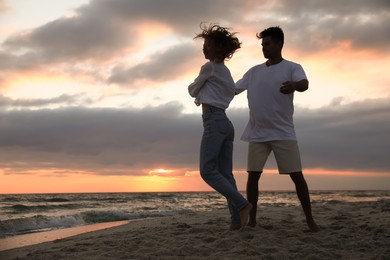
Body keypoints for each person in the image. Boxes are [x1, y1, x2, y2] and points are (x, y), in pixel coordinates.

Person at [235, 26, 320, 232]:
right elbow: (233, 89)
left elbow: (304, 83)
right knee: (253, 176)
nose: (264, 48)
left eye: (268, 44)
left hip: (283, 132)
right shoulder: (254, 71)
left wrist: (294, 86)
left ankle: (310, 221)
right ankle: (253, 221)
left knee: (297, 176)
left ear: (280, 44)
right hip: (258, 132)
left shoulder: (292, 67)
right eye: (262, 45)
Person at [188, 23, 252, 231]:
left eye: (207, 45)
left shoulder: (209, 68)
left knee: (207, 171)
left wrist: (200, 89)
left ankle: (242, 205)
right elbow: (229, 94)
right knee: (226, 175)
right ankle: (236, 221)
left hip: (213, 120)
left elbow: (192, 90)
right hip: (225, 122)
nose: (204, 48)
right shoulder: (226, 72)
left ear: (217, 48)